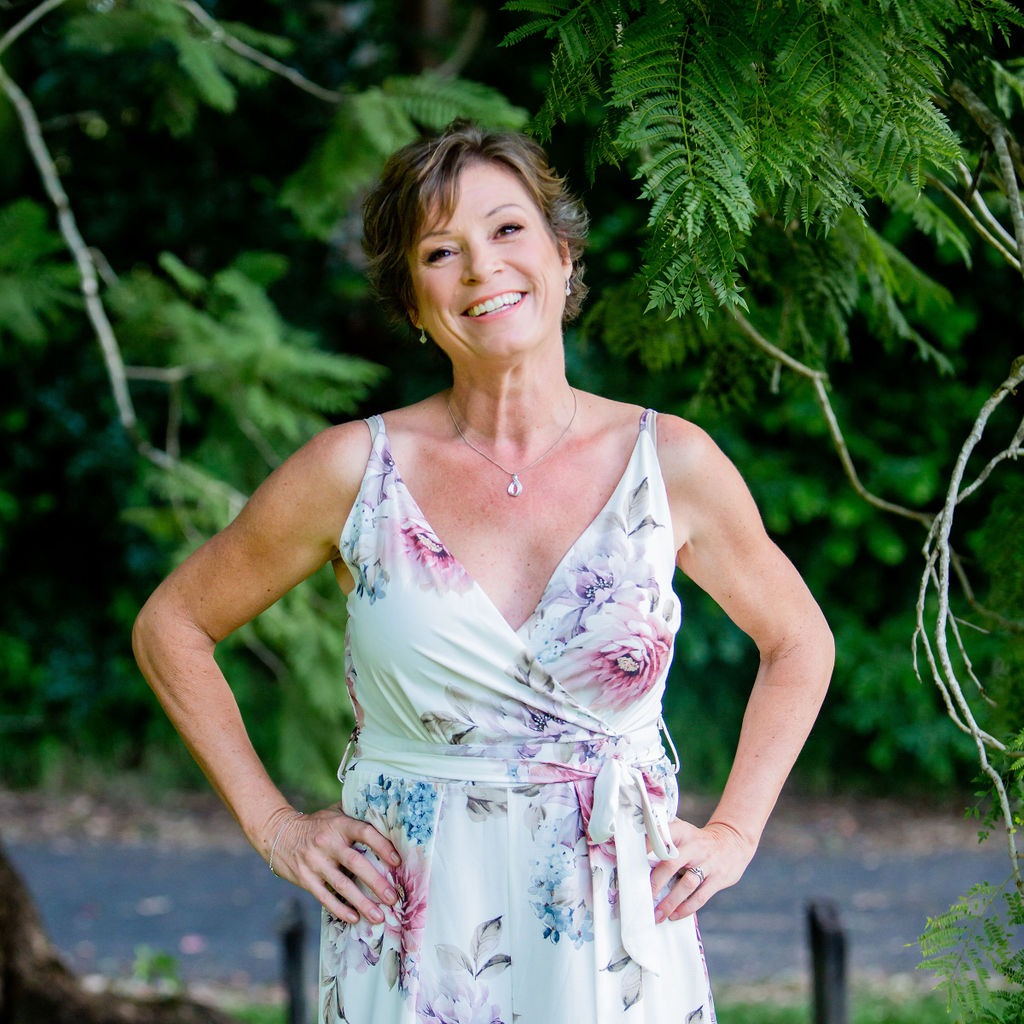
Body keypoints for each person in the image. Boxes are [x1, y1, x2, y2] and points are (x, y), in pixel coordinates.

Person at [133, 121, 834, 1024]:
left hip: (615, 935)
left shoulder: (671, 464)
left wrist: (734, 832)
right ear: (412, 303)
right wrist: (276, 826)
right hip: (411, 936)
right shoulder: (354, 473)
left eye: (507, 230)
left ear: (564, 255)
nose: (481, 268)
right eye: (441, 251)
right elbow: (173, 626)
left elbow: (798, 641)